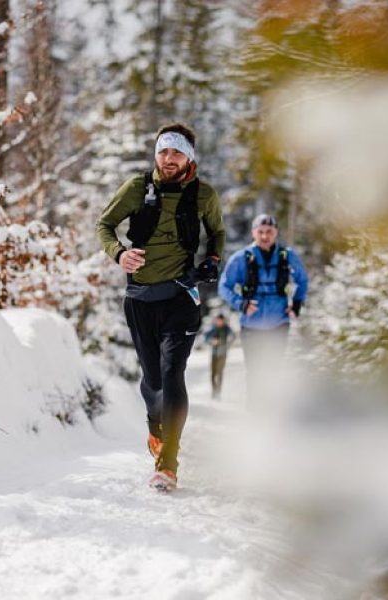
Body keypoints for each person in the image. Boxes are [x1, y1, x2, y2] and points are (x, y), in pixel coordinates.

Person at [97, 122, 225, 492]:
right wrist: (119, 254)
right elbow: (105, 225)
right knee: (152, 381)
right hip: (139, 299)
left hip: (181, 296)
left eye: (177, 152)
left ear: (189, 157)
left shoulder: (204, 195)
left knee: (172, 375)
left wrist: (213, 259)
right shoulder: (138, 189)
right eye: (163, 151)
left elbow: (217, 232)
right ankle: (156, 427)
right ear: (156, 154)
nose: (169, 159)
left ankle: (168, 461)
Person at [218, 213, 308, 406]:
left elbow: (302, 280)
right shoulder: (241, 258)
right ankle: (255, 410)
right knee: (255, 369)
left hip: (279, 322)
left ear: (276, 233)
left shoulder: (287, 255)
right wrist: (241, 303)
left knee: (274, 368)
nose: (265, 236)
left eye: (269, 232)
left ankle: (273, 411)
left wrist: (297, 303)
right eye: (261, 232)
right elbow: (223, 286)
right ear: (253, 233)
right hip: (251, 325)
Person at [204, 313, 235, 399]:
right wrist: (212, 342)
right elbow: (206, 338)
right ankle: (214, 391)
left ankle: (218, 393)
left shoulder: (226, 328)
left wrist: (227, 345)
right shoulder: (213, 328)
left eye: (221, 320)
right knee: (213, 374)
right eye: (218, 320)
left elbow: (233, 336)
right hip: (214, 354)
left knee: (220, 373)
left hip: (223, 354)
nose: (219, 322)